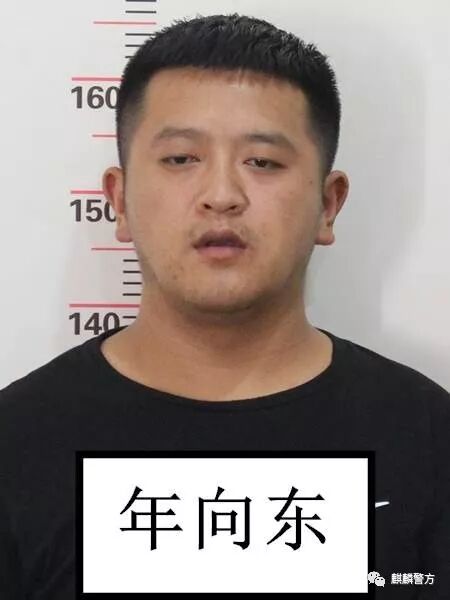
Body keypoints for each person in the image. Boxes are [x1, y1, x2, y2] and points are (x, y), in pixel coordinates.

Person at [0, 12, 448, 599]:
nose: (221, 196)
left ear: (327, 205)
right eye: (181, 158)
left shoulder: (428, 440)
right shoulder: (17, 443)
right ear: (120, 199)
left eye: (262, 161)